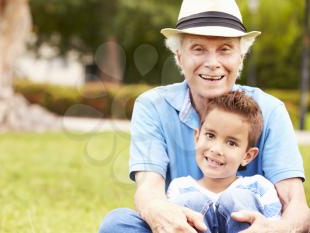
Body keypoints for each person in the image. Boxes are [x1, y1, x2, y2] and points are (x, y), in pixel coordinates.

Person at [99, 0, 310, 232]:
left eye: (225, 49)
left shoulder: (270, 110)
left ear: (241, 57)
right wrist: (162, 213)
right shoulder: (153, 106)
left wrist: (274, 230)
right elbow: (148, 189)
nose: (212, 63)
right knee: (118, 223)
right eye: (198, 49)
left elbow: (296, 206)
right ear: (179, 56)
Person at [167, 91, 282, 233]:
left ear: (247, 156)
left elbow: (274, 227)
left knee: (237, 197)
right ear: (197, 138)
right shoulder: (180, 188)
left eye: (231, 143)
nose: (216, 149)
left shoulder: (259, 187)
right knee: (190, 202)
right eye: (210, 135)